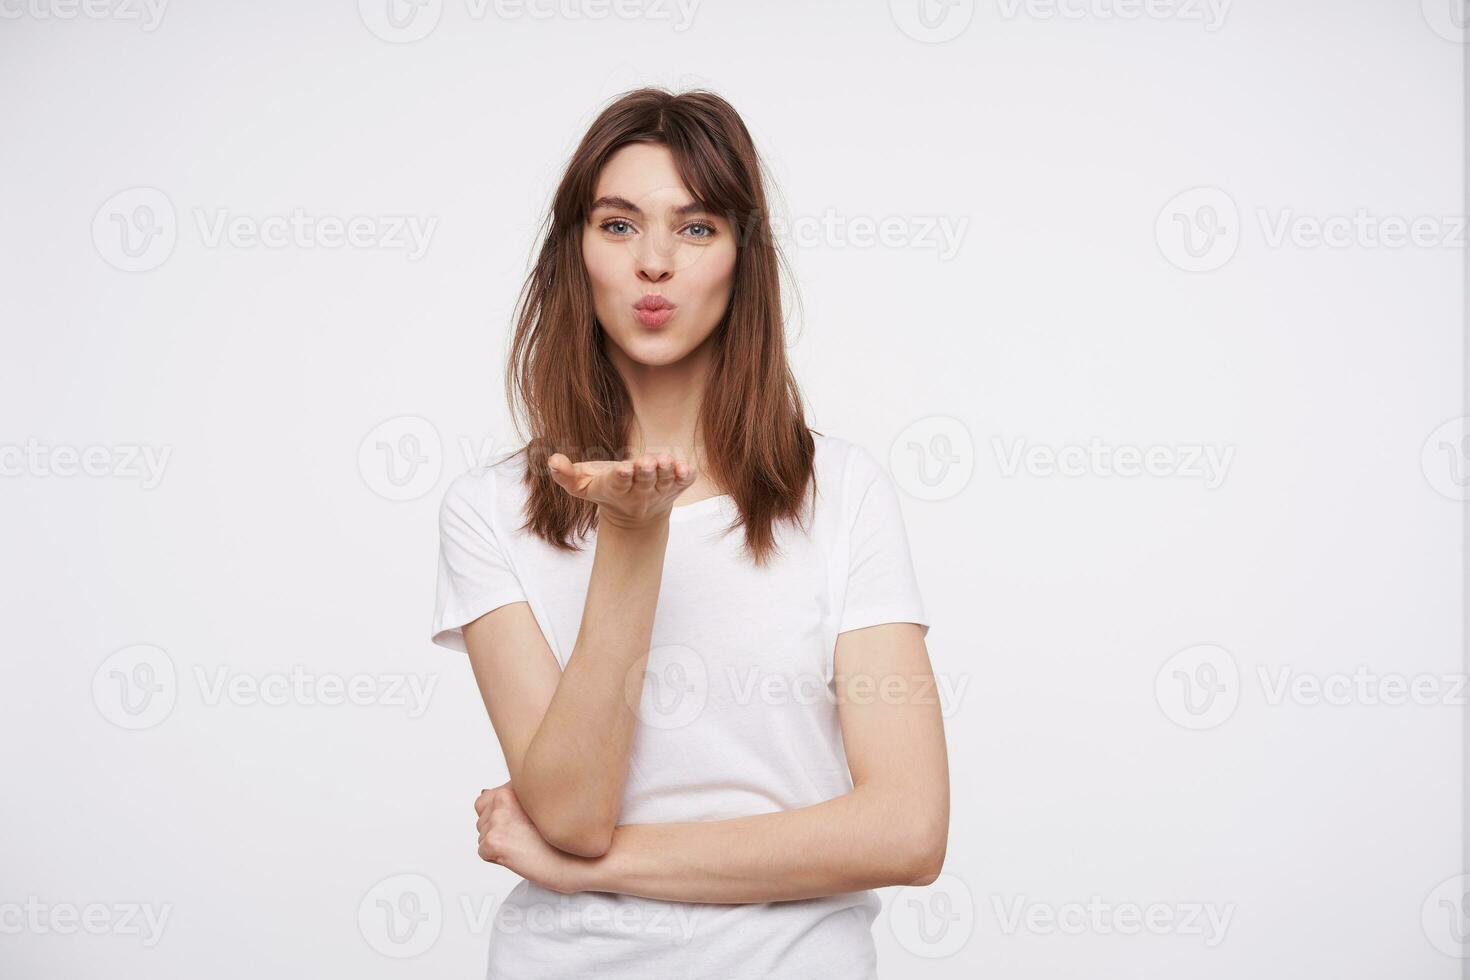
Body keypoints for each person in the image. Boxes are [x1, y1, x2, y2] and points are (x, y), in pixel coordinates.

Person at [431, 87, 949, 979]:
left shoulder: (843, 493)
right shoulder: (488, 511)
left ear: (744, 257)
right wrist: (633, 539)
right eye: (620, 225)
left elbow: (907, 831)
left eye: (698, 227)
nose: (656, 263)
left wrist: (595, 869)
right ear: (576, 252)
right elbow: (573, 812)